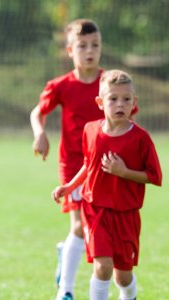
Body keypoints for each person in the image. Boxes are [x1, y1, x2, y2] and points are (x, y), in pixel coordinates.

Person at [52, 70, 162, 300]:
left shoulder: (141, 138)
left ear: (134, 103)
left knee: (122, 276)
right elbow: (88, 165)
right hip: (95, 209)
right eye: (113, 99)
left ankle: (129, 295)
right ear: (101, 103)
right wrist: (69, 187)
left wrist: (124, 172)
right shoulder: (90, 130)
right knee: (102, 267)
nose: (120, 104)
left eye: (126, 99)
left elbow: (154, 176)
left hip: (126, 215)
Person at [30, 18, 104, 300]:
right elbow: (37, 112)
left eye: (95, 45)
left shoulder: (110, 84)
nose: (89, 50)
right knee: (78, 225)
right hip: (73, 165)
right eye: (82, 45)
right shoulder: (61, 85)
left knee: (95, 229)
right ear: (70, 50)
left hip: (102, 167)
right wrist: (40, 133)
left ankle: (66, 252)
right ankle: (66, 291)